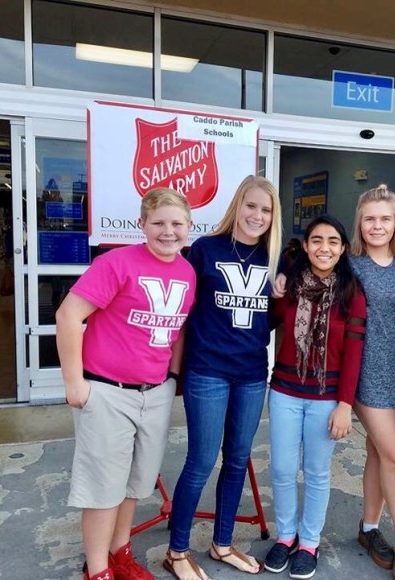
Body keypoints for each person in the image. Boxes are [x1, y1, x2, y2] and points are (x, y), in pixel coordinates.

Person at [56, 188, 196, 580]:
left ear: (189, 227)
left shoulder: (186, 271)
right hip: (107, 391)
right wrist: (74, 383)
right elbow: (69, 317)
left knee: (136, 483)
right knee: (103, 487)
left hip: (154, 392)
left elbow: (179, 329)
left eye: (176, 224)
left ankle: (120, 552)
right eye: (158, 223)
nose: (168, 232)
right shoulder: (117, 262)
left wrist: (172, 376)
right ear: (142, 225)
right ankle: (97, 569)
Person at [165, 175, 282, 580]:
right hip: (208, 372)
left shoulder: (275, 259)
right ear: (237, 206)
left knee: (236, 461)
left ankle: (222, 543)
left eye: (266, 210)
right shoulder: (205, 249)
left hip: (251, 374)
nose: (257, 215)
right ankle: (177, 551)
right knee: (200, 461)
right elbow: (179, 310)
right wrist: (173, 370)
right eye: (251, 206)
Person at [263, 215, 367, 580]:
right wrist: (274, 282)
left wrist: (345, 405)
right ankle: (286, 536)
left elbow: (355, 352)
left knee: (318, 472)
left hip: (327, 397)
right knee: (282, 469)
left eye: (333, 241)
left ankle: (309, 542)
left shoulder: (352, 293)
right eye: (317, 240)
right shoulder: (289, 287)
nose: (325, 248)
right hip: (285, 391)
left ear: (343, 249)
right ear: (305, 246)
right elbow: (265, 321)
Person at [349, 185, 395, 580]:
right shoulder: (351, 265)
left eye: (385, 219)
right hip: (368, 374)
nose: (377, 225)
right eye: (370, 218)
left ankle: (368, 528)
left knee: (378, 454)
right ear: (360, 222)